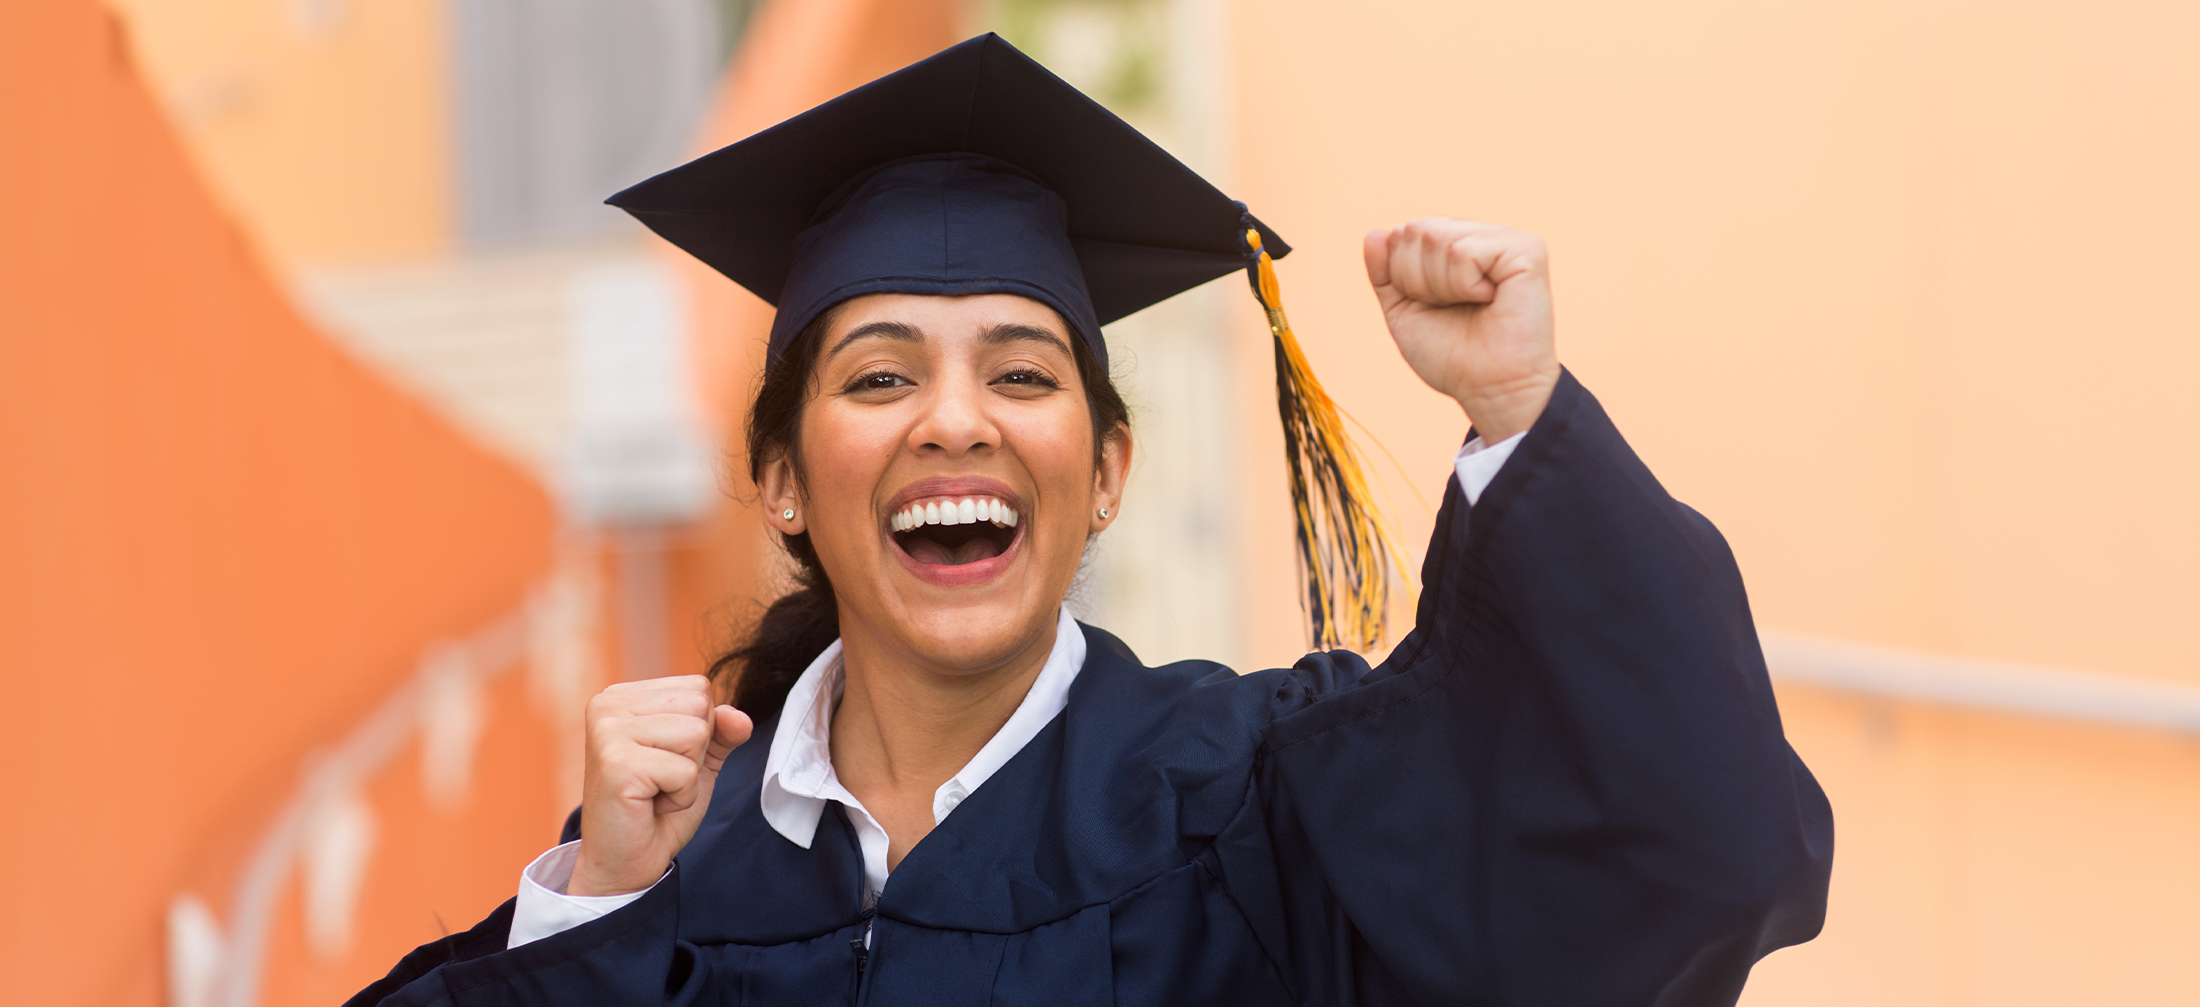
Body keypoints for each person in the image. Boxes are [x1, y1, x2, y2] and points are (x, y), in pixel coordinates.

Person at [349, 33, 1831, 1007]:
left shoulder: (1267, 804)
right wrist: (597, 901)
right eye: (880, 375)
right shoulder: (670, 869)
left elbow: (1699, 853)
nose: (956, 417)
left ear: (1106, 468)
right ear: (784, 479)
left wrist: (1517, 416)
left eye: (1021, 369)